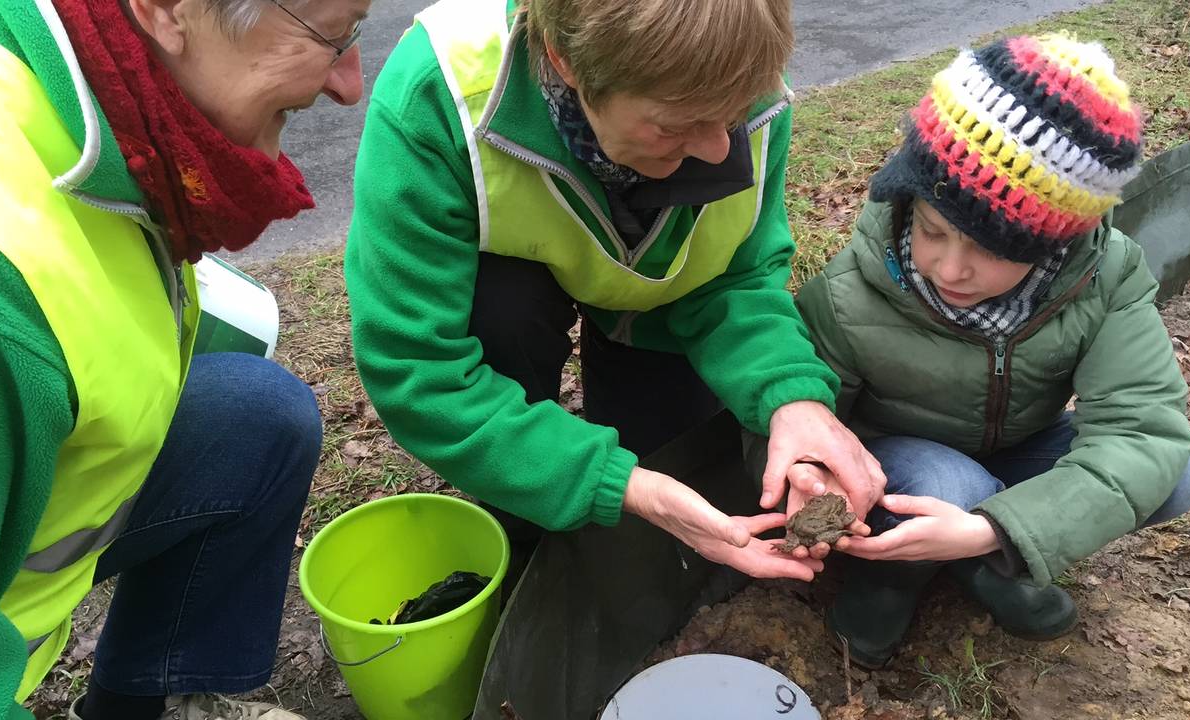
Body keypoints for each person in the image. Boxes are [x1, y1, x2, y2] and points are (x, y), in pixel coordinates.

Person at [346, 0, 886, 585]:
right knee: (505, 322)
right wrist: (607, 481)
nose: (718, 151)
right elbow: (420, 369)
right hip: (510, 286)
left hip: (659, 298)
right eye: (674, 125)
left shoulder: (740, 74)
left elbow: (737, 275)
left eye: (731, 117)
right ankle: (525, 543)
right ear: (564, 59)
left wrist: (792, 398)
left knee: (667, 467)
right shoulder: (438, 95)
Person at [0, 0, 370, 718]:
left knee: (255, 420)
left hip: (20, 518)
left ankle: (143, 704)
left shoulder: (111, 112)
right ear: (167, 11)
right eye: (330, 35)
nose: (351, 83)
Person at [785, 34, 1190, 669]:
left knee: (1185, 468)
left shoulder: (1107, 279)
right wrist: (817, 474)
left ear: (1052, 246)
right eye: (931, 231)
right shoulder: (852, 290)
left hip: (1017, 449)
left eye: (991, 250)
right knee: (949, 483)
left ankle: (986, 556)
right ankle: (890, 575)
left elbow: (1143, 431)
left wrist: (996, 528)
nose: (949, 269)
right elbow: (803, 413)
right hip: (899, 467)